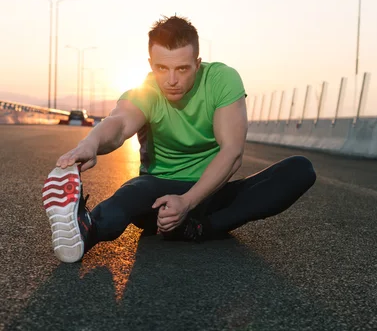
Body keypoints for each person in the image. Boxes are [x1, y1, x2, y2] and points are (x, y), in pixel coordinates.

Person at [42, 16, 316, 263]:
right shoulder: (146, 90)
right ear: (151, 64)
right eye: (162, 68)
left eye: (183, 69)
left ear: (197, 63)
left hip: (209, 190)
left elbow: (232, 153)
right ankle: (86, 229)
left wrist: (187, 202)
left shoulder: (222, 80)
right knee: (133, 190)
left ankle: (197, 228)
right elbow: (120, 123)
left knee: (299, 169)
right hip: (156, 197)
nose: (171, 80)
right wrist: (89, 144)